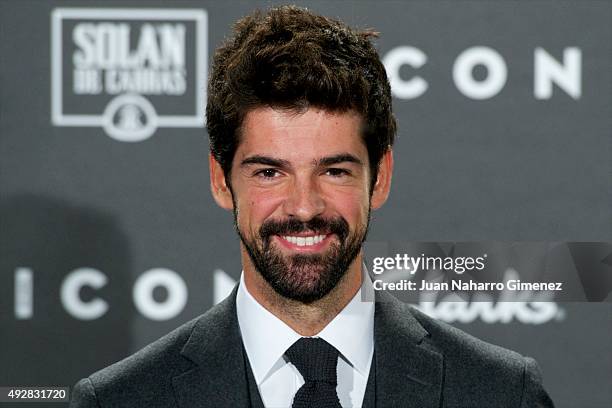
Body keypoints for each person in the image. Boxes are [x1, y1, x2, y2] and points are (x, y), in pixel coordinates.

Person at [70, 5, 554, 407]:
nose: (304, 207)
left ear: (380, 177)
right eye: (269, 172)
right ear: (221, 180)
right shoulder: (118, 400)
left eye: (335, 171)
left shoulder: (502, 392)